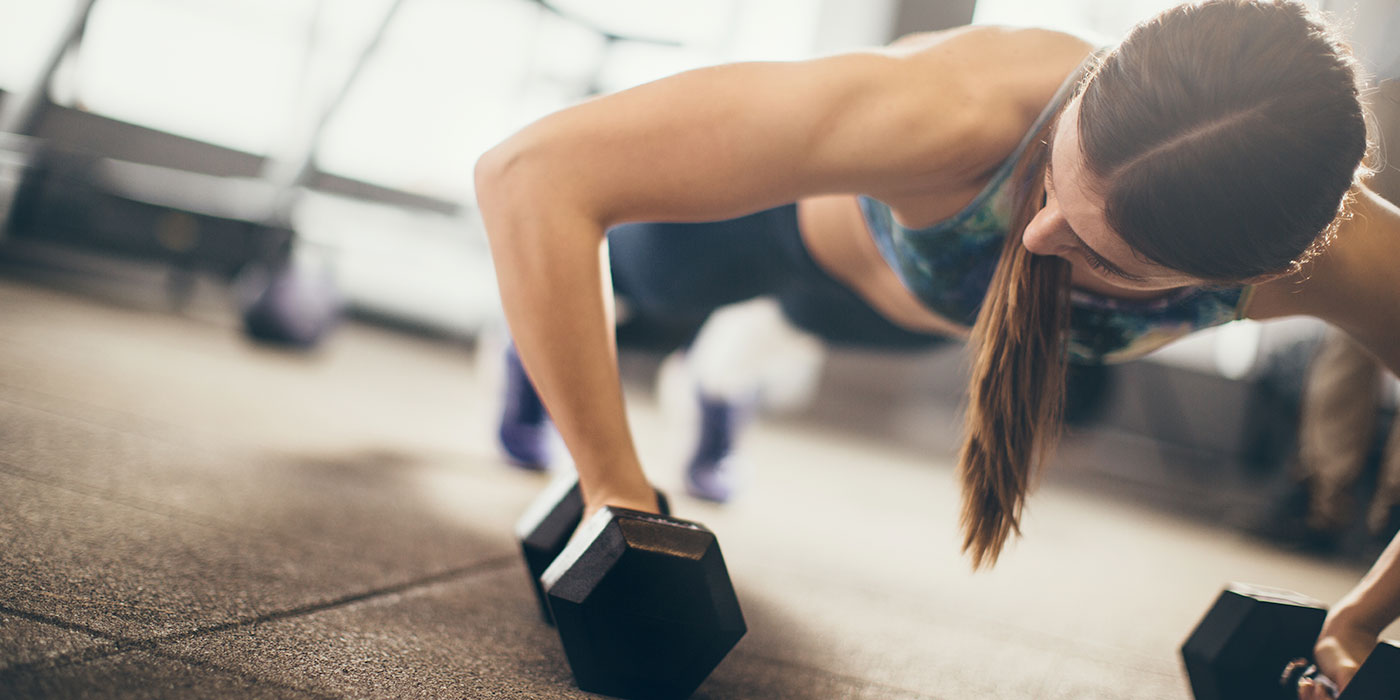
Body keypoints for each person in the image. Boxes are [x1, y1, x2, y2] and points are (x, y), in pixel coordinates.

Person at [473, 1, 1400, 696]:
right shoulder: (954, 105)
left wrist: (1362, 620)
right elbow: (531, 174)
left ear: (1266, 269)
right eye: (1051, 182)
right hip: (776, 235)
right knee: (639, 281)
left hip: (891, 325)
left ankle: (728, 368)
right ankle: (556, 338)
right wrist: (617, 493)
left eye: (1102, 254)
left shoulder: (1336, 258)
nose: (1038, 240)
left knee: (772, 341)